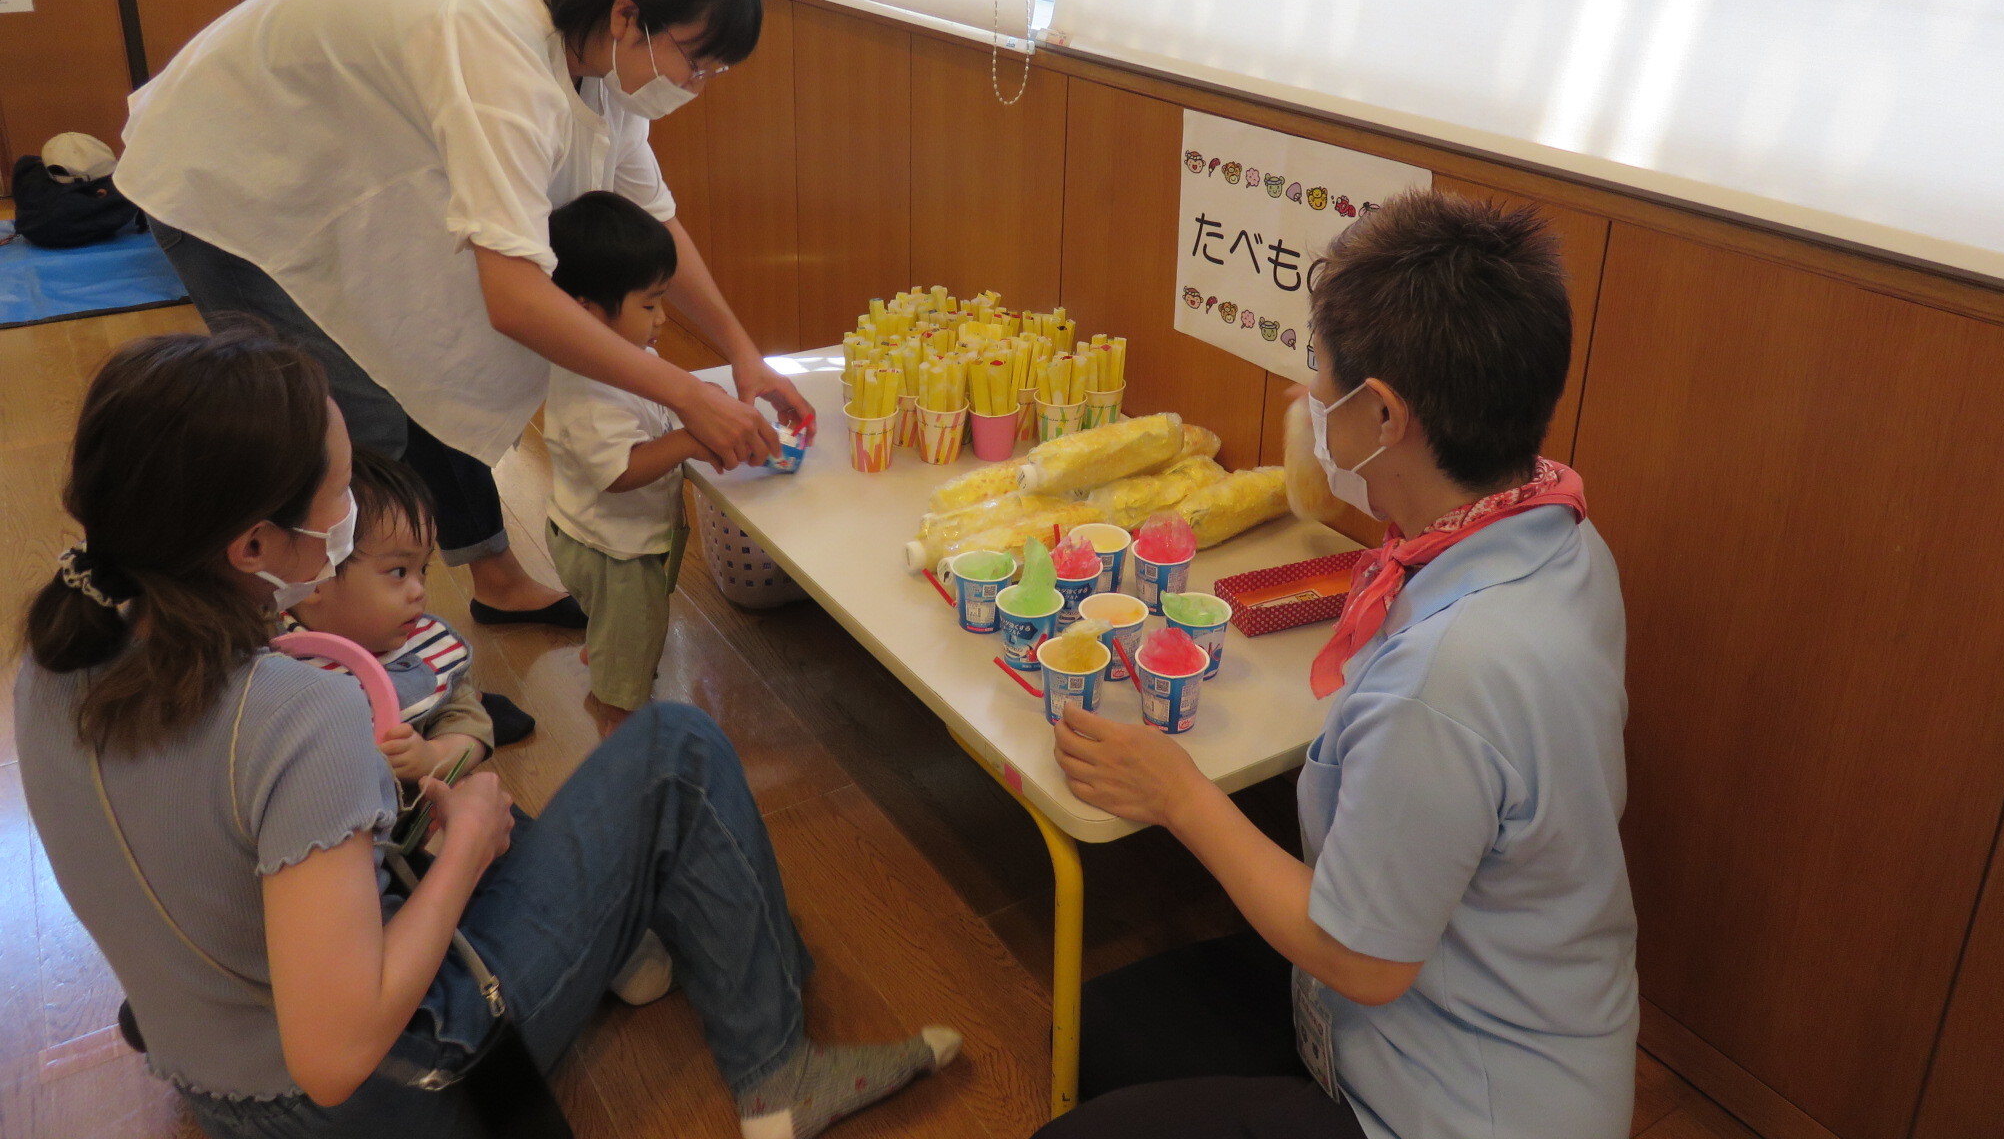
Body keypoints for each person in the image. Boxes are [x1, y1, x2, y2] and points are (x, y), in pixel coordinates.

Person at [14, 329, 958, 1139]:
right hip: (367, 1101)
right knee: (677, 751)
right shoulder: (299, 714)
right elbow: (338, 1057)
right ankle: (778, 1065)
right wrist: (468, 841)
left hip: (209, 1075)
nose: (350, 519)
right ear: (252, 548)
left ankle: (677, 943)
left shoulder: (56, 656)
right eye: (339, 497)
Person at [1040, 191, 1637, 1139]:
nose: (1307, 399)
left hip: (1452, 1101)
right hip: (1523, 1011)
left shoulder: (1449, 681)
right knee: (1103, 1031)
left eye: (1320, 376)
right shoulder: (1554, 528)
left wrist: (1180, 796)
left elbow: (1363, 963)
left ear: (1386, 414)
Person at [117, 0, 816, 636]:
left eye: (713, 69)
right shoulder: (501, 60)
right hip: (226, 175)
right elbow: (515, 302)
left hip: (324, 154)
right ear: (628, 15)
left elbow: (656, 224)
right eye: (694, 59)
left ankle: (491, 580)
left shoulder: (603, 66)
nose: (697, 83)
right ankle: (343, 661)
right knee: (348, 429)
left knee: (426, 363)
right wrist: (687, 394)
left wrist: (742, 355)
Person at [542, 191, 713, 734]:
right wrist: (689, 440)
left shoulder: (629, 358)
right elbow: (620, 472)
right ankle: (620, 727)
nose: (663, 319)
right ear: (587, 310)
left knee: (624, 629)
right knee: (631, 648)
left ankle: (610, 648)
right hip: (614, 553)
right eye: (649, 304)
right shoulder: (592, 392)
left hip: (610, 537)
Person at [285, 449, 498, 782]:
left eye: (422, 569)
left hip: (414, 817)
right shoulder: (267, 651)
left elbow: (471, 725)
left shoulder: (423, 648)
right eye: (399, 571)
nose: (419, 590)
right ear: (314, 576)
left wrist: (434, 756)